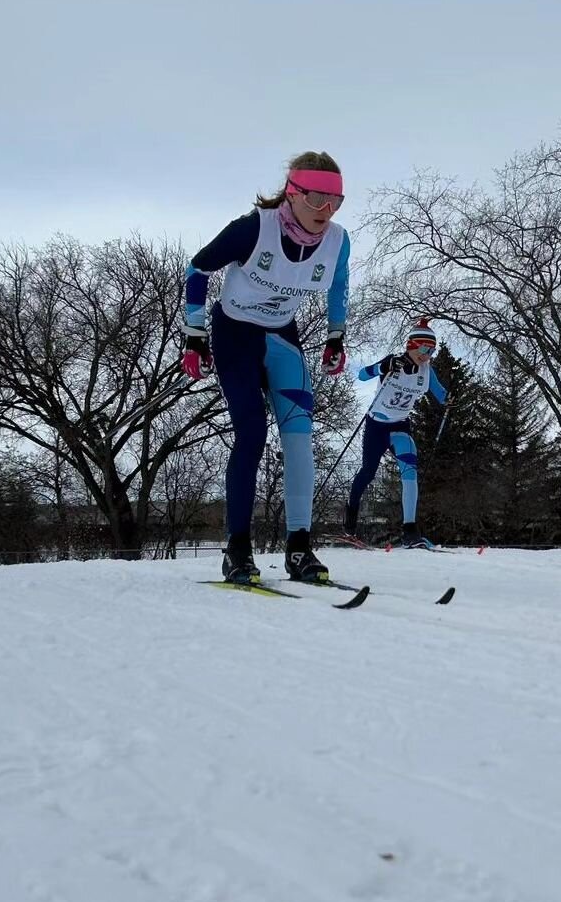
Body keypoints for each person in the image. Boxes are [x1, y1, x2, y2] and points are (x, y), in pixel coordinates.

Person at [182, 151, 351, 585]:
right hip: (235, 336)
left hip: (281, 339)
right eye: (316, 199)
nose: (325, 211)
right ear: (292, 194)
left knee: (299, 439)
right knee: (252, 434)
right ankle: (237, 548)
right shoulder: (254, 228)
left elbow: (338, 283)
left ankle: (299, 548)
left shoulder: (337, 240)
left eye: (335, 201)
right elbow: (198, 267)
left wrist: (336, 335)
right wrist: (194, 334)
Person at [344, 319, 447, 547]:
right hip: (376, 426)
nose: (427, 354)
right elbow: (362, 375)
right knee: (368, 472)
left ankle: (410, 529)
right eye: (423, 348)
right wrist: (383, 367)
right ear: (411, 345)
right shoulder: (394, 362)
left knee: (410, 470)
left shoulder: (427, 371)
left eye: (431, 350)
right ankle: (350, 518)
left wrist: (450, 402)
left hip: (400, 426)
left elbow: (441, 394)